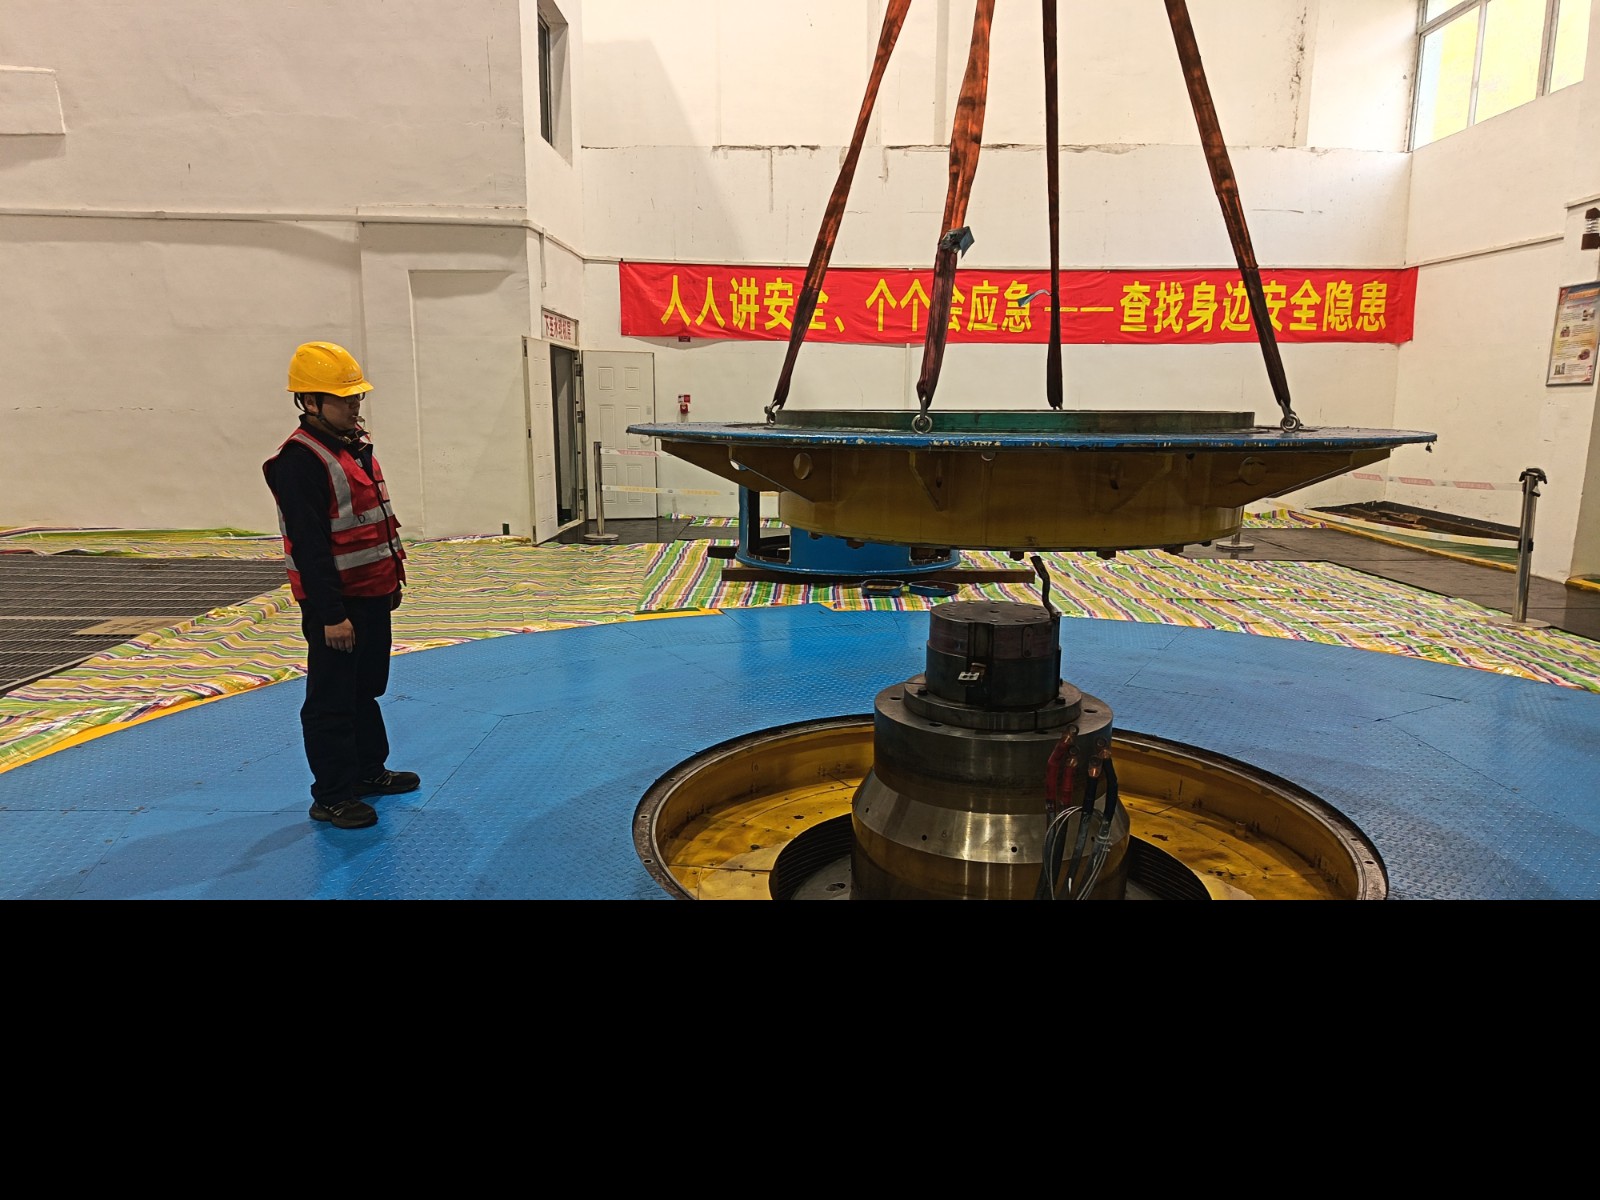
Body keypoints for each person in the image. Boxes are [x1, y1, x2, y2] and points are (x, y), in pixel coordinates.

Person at [262, 341, 419, 829]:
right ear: (310, 402)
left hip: (371, 593)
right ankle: (331, 795)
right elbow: (310, 547)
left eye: (357, 398)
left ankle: (368, 772)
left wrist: (390, 582)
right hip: (337, 605)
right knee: (331, 700)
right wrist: (331, 615)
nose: (355, 406)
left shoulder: (353, 445)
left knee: (365, 689)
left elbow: (372, 523)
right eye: (345, 399)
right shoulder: (299, 461)